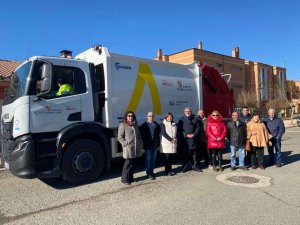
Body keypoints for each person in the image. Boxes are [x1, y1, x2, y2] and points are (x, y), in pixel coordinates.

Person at [118, 111, 143, 185]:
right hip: (128, 148)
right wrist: (125, 143)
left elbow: (138, 135)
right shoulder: (123, 125)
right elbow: (120, 137)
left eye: (131, 116)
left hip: (135, 147)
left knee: (131, 163)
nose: (130, 117)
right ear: (126, 117)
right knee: (127, 163)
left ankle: (130, 178)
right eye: (129, 116)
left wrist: (140, 142)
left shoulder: (135, 125)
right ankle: (124, 179)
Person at [177, 107, 201, 172]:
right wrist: (185, 135)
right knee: (185, 153)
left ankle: (195, 166)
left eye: (189, 111)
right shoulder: (181, 119)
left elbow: (198, 128)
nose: (188, 112)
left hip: (193, 138)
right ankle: (185, 166)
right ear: (184, 112)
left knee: (194, 153)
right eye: (186, 111)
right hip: (185, 139)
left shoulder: (195, 119)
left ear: (191, 112)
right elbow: (179, 130)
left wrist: (194, 134)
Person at [140, 112, 161, 180]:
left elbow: (158, 135)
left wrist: (158, 144)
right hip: (147, 145)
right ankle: (148, 174)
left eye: (152, 116)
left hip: (154, 145)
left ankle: (151, 172)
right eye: (149, 116)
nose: (151, 117)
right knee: (148, 159)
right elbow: (141, 136)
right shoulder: (144, 125)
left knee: (153, 160)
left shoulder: (156, 125)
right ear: (147, 117)